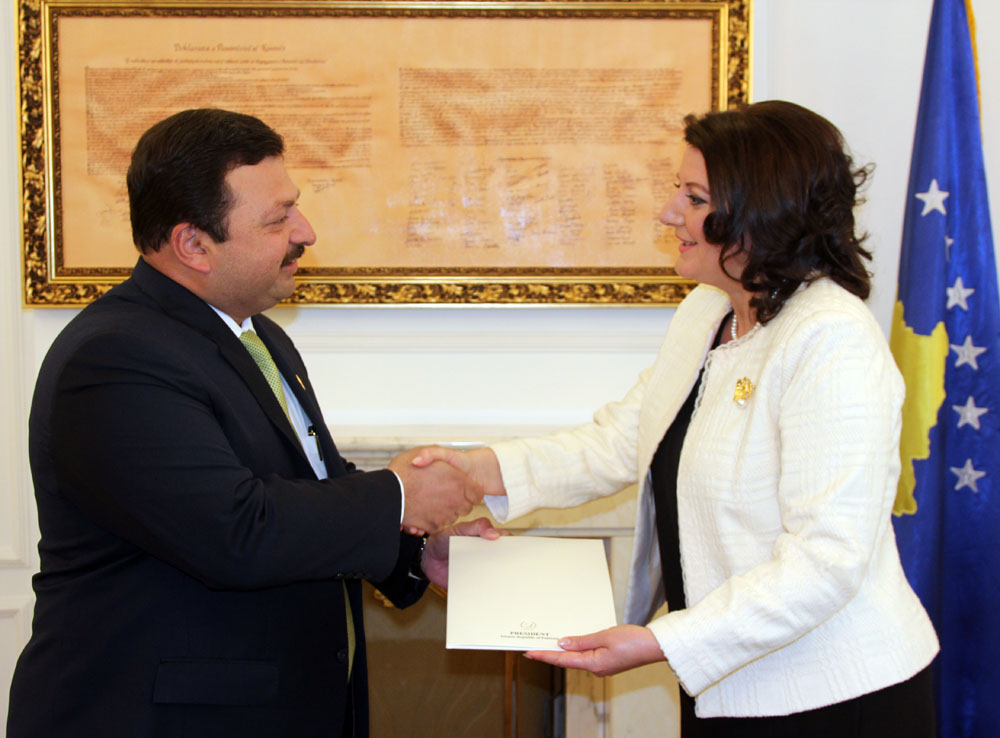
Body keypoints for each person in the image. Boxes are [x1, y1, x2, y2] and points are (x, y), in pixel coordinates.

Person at [414, 100, 940, 736]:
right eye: (677, 192)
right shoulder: (707, 311)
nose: (669, 214)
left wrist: (662, 640)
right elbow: (625, 438)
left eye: (693, 198)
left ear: (761, 209)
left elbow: (825, 561)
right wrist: (478, 472)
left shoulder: (831, 340)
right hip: (723, 681)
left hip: (830, 699)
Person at [6, 108, 495, 738]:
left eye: (295, 206)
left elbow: (303, 488)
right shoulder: (113, 358)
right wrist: (399, 494)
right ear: (192, 244)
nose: (306, 231)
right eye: (277, 219)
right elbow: (236, 530)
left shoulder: (255, 334)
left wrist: (414, 551)